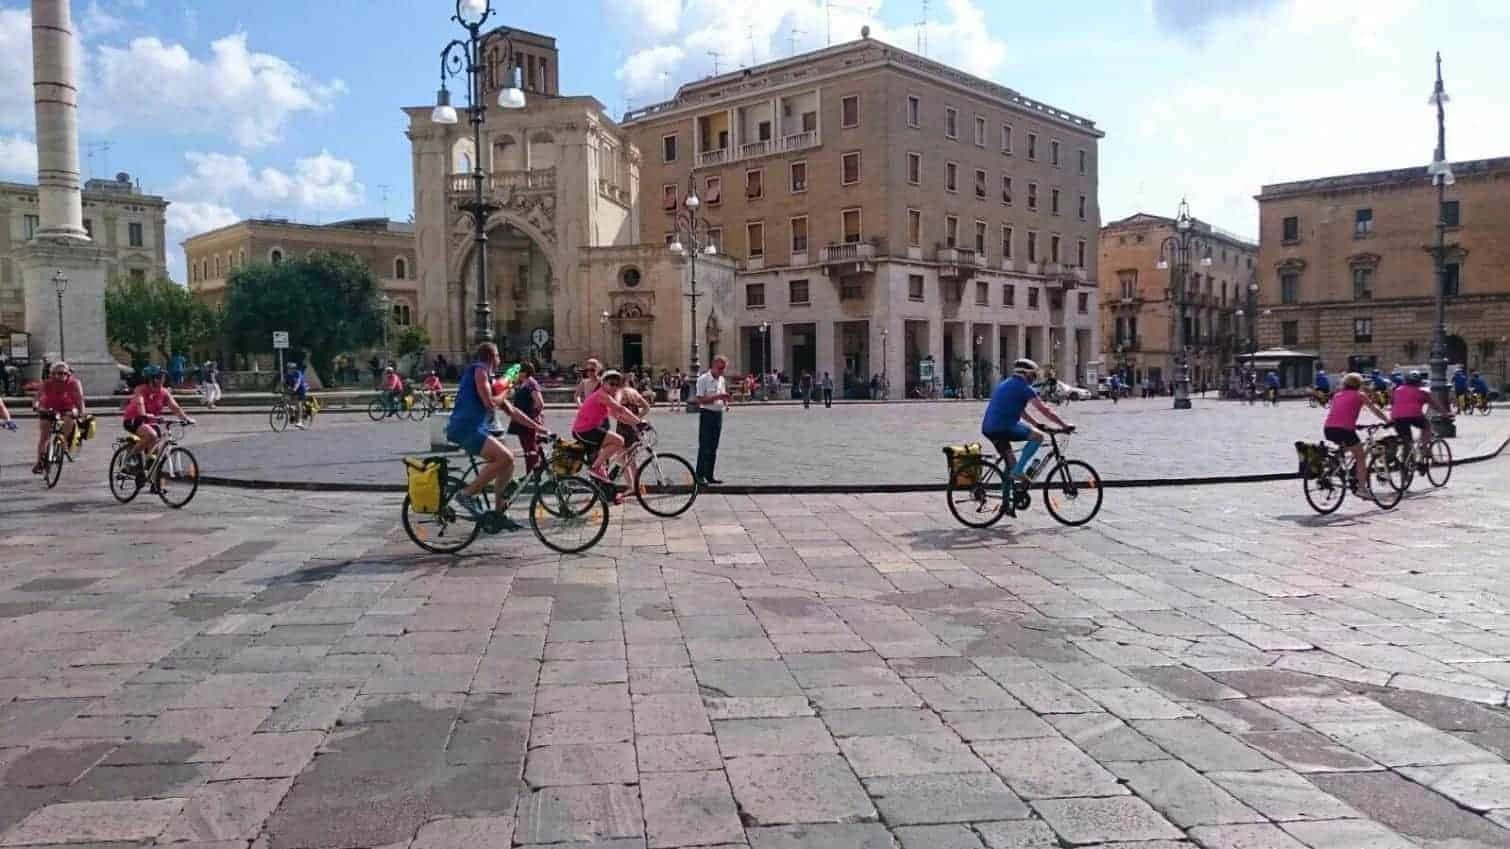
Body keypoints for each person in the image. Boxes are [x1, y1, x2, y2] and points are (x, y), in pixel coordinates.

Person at [446, 343, 544, 523]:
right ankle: (466, 494)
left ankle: (499, 513)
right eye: (498, 356)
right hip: (465, 428)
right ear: (493, 357)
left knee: (508, 464)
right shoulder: (479, 369)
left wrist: (537, 427)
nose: (500, 360)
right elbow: (489, 403)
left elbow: (512, 411)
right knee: (505, 457)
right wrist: (506, 392)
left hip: (477, 428)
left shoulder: (490, 379)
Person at [981, 359, 1072, 517]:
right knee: (1038, 437)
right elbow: (1045, 410)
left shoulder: (1007, 384)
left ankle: (1005, 504)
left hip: (990, 428)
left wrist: (1037, 423)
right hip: (1004, 427)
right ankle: (1019, 471)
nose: (1035, 377)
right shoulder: (1024, 388)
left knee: (1009, 466)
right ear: (1025, 374)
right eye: (1033, 374)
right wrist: (1064, 425)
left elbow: (1021, 412)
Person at [571, 369, 644, 494]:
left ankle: (605, 488)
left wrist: (634, 425)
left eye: (617, 384)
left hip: (589, 430)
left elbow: (617, 416)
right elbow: (620, 409)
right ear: (603, 383)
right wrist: (639, 421)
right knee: (619, 441)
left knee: (612, 447)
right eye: (611, 383)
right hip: (584, 431)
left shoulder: (606, 397)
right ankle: (595, 468)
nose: (614, 387)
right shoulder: (601, 395)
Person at [1323, 372, 1390, 495]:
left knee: (1349, 448)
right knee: (1361, 456)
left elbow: (1341, 412)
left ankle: (1335, 462)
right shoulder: (1360, 395)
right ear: (1359, 384)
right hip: (1345, 430)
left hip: (1329, 429)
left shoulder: (1337, 395)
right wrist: (1387, 420)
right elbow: (1375, 410)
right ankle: (1362, 489)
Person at [121, 365, 192, 467]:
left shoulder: (163, 392)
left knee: (156, 446)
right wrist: (144, 414)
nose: (162, 381)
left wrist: (186, 419)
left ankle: (149, 472)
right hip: (134, 419)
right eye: (159, 378)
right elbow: (140, 404)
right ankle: (130, 458)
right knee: (152, 435)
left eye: (163, 378)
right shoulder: (140, 390)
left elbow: (175, 407)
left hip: (151, 421)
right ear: (151, 379)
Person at [33, 361, 86, 474]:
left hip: (67, 407)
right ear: (52, 374)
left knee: (69, 419)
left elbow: (79, 399)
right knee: (44, 437)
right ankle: (39, 462)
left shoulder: (74, 383)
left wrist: (81, 413)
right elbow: (37, 397)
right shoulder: (46, 383)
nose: (62, 376)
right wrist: (36, 406)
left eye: (65, 373)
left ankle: (64, 441)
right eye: (58, 373)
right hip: (49, 408)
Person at [1390, 370, 1449, 466]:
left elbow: (1393, 403)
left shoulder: (1397, 390)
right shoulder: (1422, 391)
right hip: (1414, 416)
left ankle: (1405, 468)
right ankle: (1424, 448)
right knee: (1426, 426)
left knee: (1407, 441)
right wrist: (1446, 413)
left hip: (1397, 417)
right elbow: (1435, 405)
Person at [694, 355, 731, 485]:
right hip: (707, 413)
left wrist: (725, 401)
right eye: (720, 368)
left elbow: (722, 395)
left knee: (714, 446)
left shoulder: (722, 379)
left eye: (724, 368)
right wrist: (718, 396)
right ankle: (699, 475)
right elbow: (699, 400)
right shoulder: (703, 379)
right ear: (714, 365)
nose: (722, 371)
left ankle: (710, 475)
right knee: (704, 445)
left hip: (718, 414)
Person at [507, 361, 546, 473]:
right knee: (527, 449)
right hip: (521, 420)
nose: (517, 373)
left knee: (530, 449)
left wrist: (533, 417)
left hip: (527, 420)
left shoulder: (531, 383)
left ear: (524, 372)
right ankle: (531, 474)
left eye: (518, 371)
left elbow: (539, 403)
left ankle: (533, 474)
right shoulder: (524, 383)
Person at [284, 362, 312, 428]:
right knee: (285, 402)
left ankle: (300, 422)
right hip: (293, 390)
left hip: (301, 389)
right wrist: (277, 390)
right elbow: (283, 383)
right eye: (288, 368)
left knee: (298, 403)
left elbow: (298, 383)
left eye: (290, 368)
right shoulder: (287, 374)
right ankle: (292, 415)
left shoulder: (297, 373)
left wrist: (294, 389)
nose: (289, 370)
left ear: (294, 369)